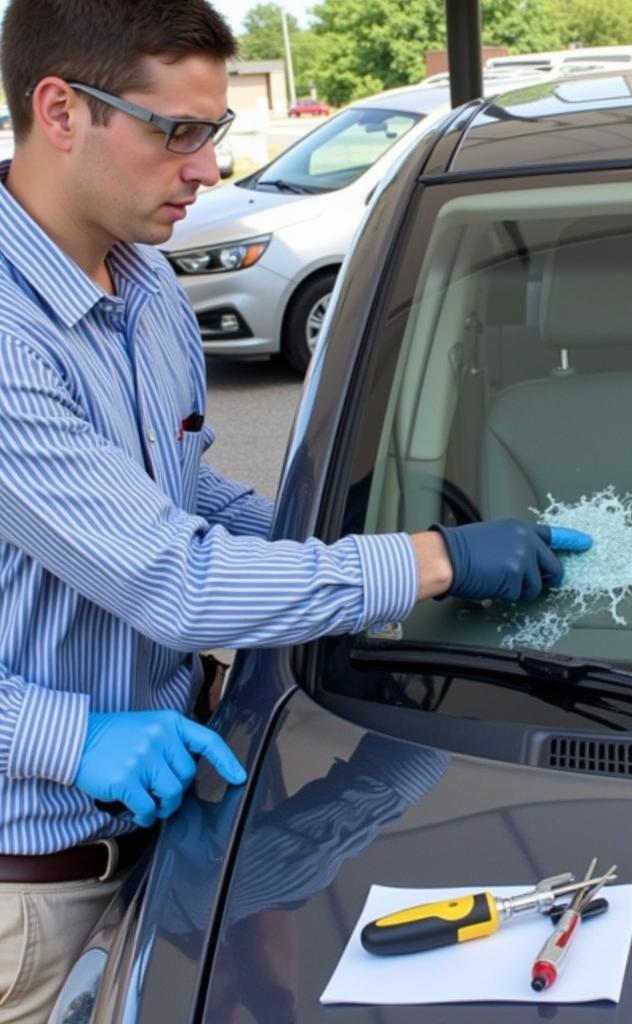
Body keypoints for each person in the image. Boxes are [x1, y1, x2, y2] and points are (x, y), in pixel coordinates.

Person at [0, 2, 591, 1020]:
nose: (206, 169)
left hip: (182, 831)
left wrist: (337, 547)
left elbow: (184, 502)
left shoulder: (143, 289)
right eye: (175, 132)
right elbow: (175, 580)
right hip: (30, 898)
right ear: (60, 110)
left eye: (213, 132)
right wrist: (430, 560)